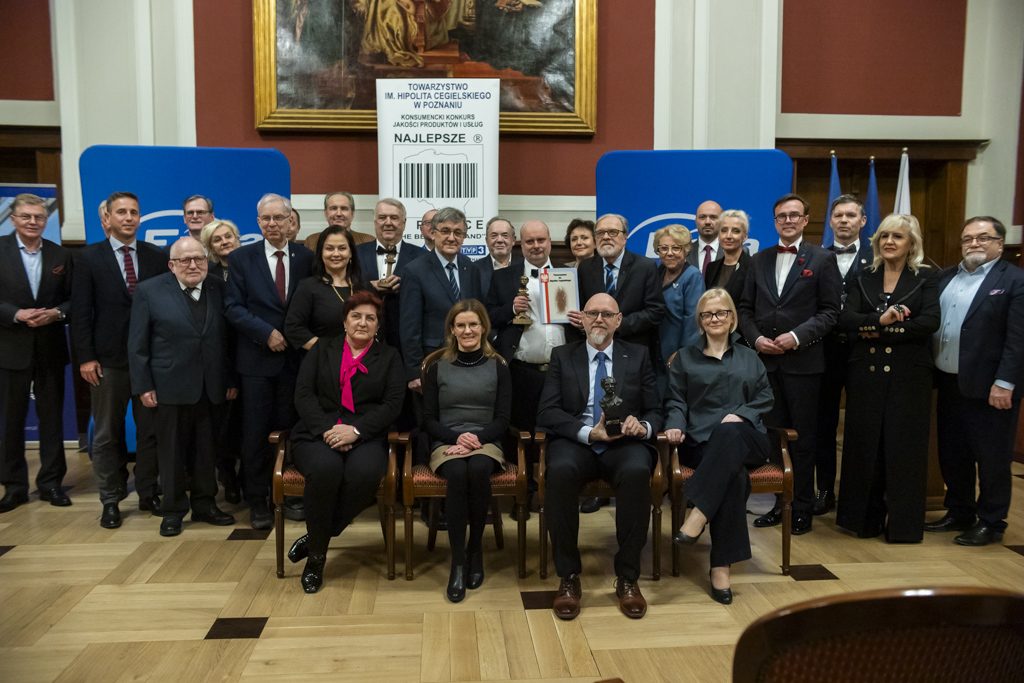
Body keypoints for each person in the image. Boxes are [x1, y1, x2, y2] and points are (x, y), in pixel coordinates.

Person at [537, 293, 663, 621]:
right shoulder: (564, 355)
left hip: (624, 444)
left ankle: (628, 578)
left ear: (618, 321)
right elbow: (547, 411)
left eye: (607, 314)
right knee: (560, 471)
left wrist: (644, 425)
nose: (599, 319)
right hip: (577, 441)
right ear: (582, 319)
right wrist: (588, 433)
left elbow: (655, 410)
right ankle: (568, 577)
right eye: (592, 313)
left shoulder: (637, 355)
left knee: (638, 471)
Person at [287, 290, 405, 593]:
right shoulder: (322, 349)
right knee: (325, 471)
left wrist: (355, 431)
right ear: (345, 321)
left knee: (364, 474)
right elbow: (302, 394)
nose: (362, 322)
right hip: (317, 433)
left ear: (378, 325)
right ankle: (316, 560)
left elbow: (392, 404)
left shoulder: (390, 356)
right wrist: (330, 428)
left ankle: (316, 539)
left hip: (366, 436)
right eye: (356, 316)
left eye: (370, 318)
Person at [738, 193, 841, 535]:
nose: (788, 220)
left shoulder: (823, 259)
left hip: (804, 365)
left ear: (806, 219)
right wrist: (755, 339)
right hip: (766, 365)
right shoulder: (759, 259)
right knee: (771, 438)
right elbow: (744, 310)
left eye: (794, 215)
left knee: (803, 440)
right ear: (774, 221)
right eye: (781, 216)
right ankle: (778, 505)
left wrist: (796, 337)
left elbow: (830, 312)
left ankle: (802, 508)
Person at [665, 288, 773, 604]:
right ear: (700, 320)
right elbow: (676, 400)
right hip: (700, 443)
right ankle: (720, 567)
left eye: (721, 312)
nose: (715, 318)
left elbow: (765, 398)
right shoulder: (685, 357)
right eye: (708, 314)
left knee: (730, 431)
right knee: (734, 477)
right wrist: (674, 423)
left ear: (731, 318)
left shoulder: (750, 357)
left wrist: (738, 416)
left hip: (749, 438)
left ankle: (698, 513)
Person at [836, 215, 939, 542]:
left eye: (898, 236)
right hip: (865, 375)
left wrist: (880, 330)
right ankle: (862, 521)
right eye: (884, 236)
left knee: (904, 450)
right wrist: (878, 320)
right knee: (864, 447)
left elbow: (930, 322)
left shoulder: (927, 277)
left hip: (910, 377)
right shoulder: (864, 275)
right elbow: (846, 319)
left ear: (912, 244)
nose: (890, 241)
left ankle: (904, 527)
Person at [127, 237, 238, 536]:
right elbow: (137, 345)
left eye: (199, 259)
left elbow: (228, 342)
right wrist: (143, 385)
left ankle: (205, 504)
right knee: (172, 452)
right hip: (168, 386)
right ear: (171, 265)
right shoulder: (149, 291)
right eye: (185, 260)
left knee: (207, 449)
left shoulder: (219, 286)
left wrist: (230, 379)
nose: (193, 265)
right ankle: (173, 510)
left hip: (211, 386)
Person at [71, 191, 168, 528]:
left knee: (150, 432)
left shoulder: (157, 256)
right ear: (106, 219)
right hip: (107, 362)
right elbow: (81, 313)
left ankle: (147, 493)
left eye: (134, 212)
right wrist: (86, 358)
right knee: (107, 434)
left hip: (151, 362)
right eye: (121, 212)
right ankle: (111, 499)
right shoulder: (87, 259)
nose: (128, 217)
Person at [927, 216, 1024, 546]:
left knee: (992, 457)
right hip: (949, 381)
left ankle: (992, 521)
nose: (975, 244)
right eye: (968, 238)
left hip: (991, 387)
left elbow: (1018, 339)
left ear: (1000, 243)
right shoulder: (945, 278)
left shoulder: (1014, 281)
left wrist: (1006, 382)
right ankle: (959, 511)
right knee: (954, 453)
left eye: (984, 238)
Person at [224, 193, 314, 529]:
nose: (273, 224)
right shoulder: (241, 258)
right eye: (267, 219)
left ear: (291, 221)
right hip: (256, 362)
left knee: (292, 430)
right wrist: (266, 333)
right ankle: (258, 500)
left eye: (280, 218)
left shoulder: (307, 257)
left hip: (296, 363)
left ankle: (290, 493)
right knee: (255, 434)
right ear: (258, 222)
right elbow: (233, 307)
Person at [571, 213, 666, 514]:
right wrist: (585, 322)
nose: (606, 237)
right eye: (600, 233)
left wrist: (612, 325)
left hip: (631, 358)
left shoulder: (646, 266)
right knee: (597, 414)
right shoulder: (586, 268)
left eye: (613, 232)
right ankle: (597, 487)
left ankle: (624, 485)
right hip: (594, 355)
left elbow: (655, 312)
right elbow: (586, 311)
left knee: (623, 425)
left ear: (626, 236)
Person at [423, 300, 511, 602]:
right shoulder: (437, 367)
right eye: (461, 325)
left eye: (473, 324)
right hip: (447, 442)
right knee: (458, 472)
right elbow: (428, 419)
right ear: (452, 329)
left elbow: (503, 418)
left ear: (484, 327)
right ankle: (458, 561)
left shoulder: (498, 366)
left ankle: (476, 549)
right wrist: (457, 438)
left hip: (487, 440)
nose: (468, 330)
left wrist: (477, 438)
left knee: (478, 469)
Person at [0, 194, 73, 513]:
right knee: (10, 422)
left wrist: (57, 313)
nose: (33, 222)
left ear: (47, 221)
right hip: (10, 349)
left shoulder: (61, 254)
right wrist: (15, 314)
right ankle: (14, 487)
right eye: (26, 216)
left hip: (50, 349)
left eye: (39, 217)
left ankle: (51, 484)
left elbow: (76, 300)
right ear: (12, 219)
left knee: (52, 420)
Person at [813, 195, 874, 515]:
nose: (844, 220)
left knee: (861, 425)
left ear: (863, 221)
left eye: (851, 215)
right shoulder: (816, 257)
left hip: (865, 350)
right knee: (823, 425)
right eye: (838, 215)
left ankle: (858, 494)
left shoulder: (878, 257)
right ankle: (824, 490)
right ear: (830, 221)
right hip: (824, 351)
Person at [399, 207, 482, 389]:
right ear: (433, 233)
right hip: (432, 361)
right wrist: (414, 371)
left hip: (469, 360)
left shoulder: (472, 269)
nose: (452, 238)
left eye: (458, 232)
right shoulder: (414, 271)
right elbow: (409, 327)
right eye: (445, 231)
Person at [199, 218, 244, 502]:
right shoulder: (208, 276)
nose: (225, 242)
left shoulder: (252, 267)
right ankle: (228, 478)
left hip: (252, 353)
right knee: (224, 428)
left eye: (229, 236)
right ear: (210, 248)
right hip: (220, 359)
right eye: (217, 239)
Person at [354, 198, 427, 354]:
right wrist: (369, 287)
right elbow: (345, 289)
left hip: (406, 345)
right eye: (382, 218)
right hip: (362, 342)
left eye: (394, 218)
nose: (388, 222)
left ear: (404, 223)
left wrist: (407, 284)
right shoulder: (355, 254)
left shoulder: (423, 258)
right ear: (374, 222)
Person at [285, 226, 364, 350]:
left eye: (342, 248)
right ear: (321, 253)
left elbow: (378, 327)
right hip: (322, 361)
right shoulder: (308, 287)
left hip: (360, 363)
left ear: (351, 252)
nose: (336, 254)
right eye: (329, 248)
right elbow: (293, 328)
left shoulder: (365, 287)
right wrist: (332, 350)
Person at [653, 224, 704, 364]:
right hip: (654, 354)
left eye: (676, 248)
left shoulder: (692, 276)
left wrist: (682, 355)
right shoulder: (657, 273)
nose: (669, 253)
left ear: (686, 250)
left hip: (678, 357)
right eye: (664, 248)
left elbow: (693, 323)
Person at [704, 209, 753, 323]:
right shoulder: (711, 267)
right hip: (714, 331)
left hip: (741, 335)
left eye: (735, 231)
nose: (728, 236)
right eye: (724, 230)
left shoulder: (753, 266)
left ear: (745, 236)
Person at [303, 191, 374, 252]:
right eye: (333, 208)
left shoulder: (368, 241)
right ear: (326, 214)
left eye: (344, 209)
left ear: (352, 214)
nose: (339, 214)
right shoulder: (312, 241)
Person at [472, 217, 521, 296]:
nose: (499, 240)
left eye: (505, 235)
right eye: (494, 236)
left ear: (513, 240)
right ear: (487, 241)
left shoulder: (524, 265)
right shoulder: (474, 269)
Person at [685, 200, 723, 276]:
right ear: (696, 221)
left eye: (713, 217)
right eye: (702, 217)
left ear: (722, 221)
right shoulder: (685, 252)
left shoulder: (732, 252)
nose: (707, 222)